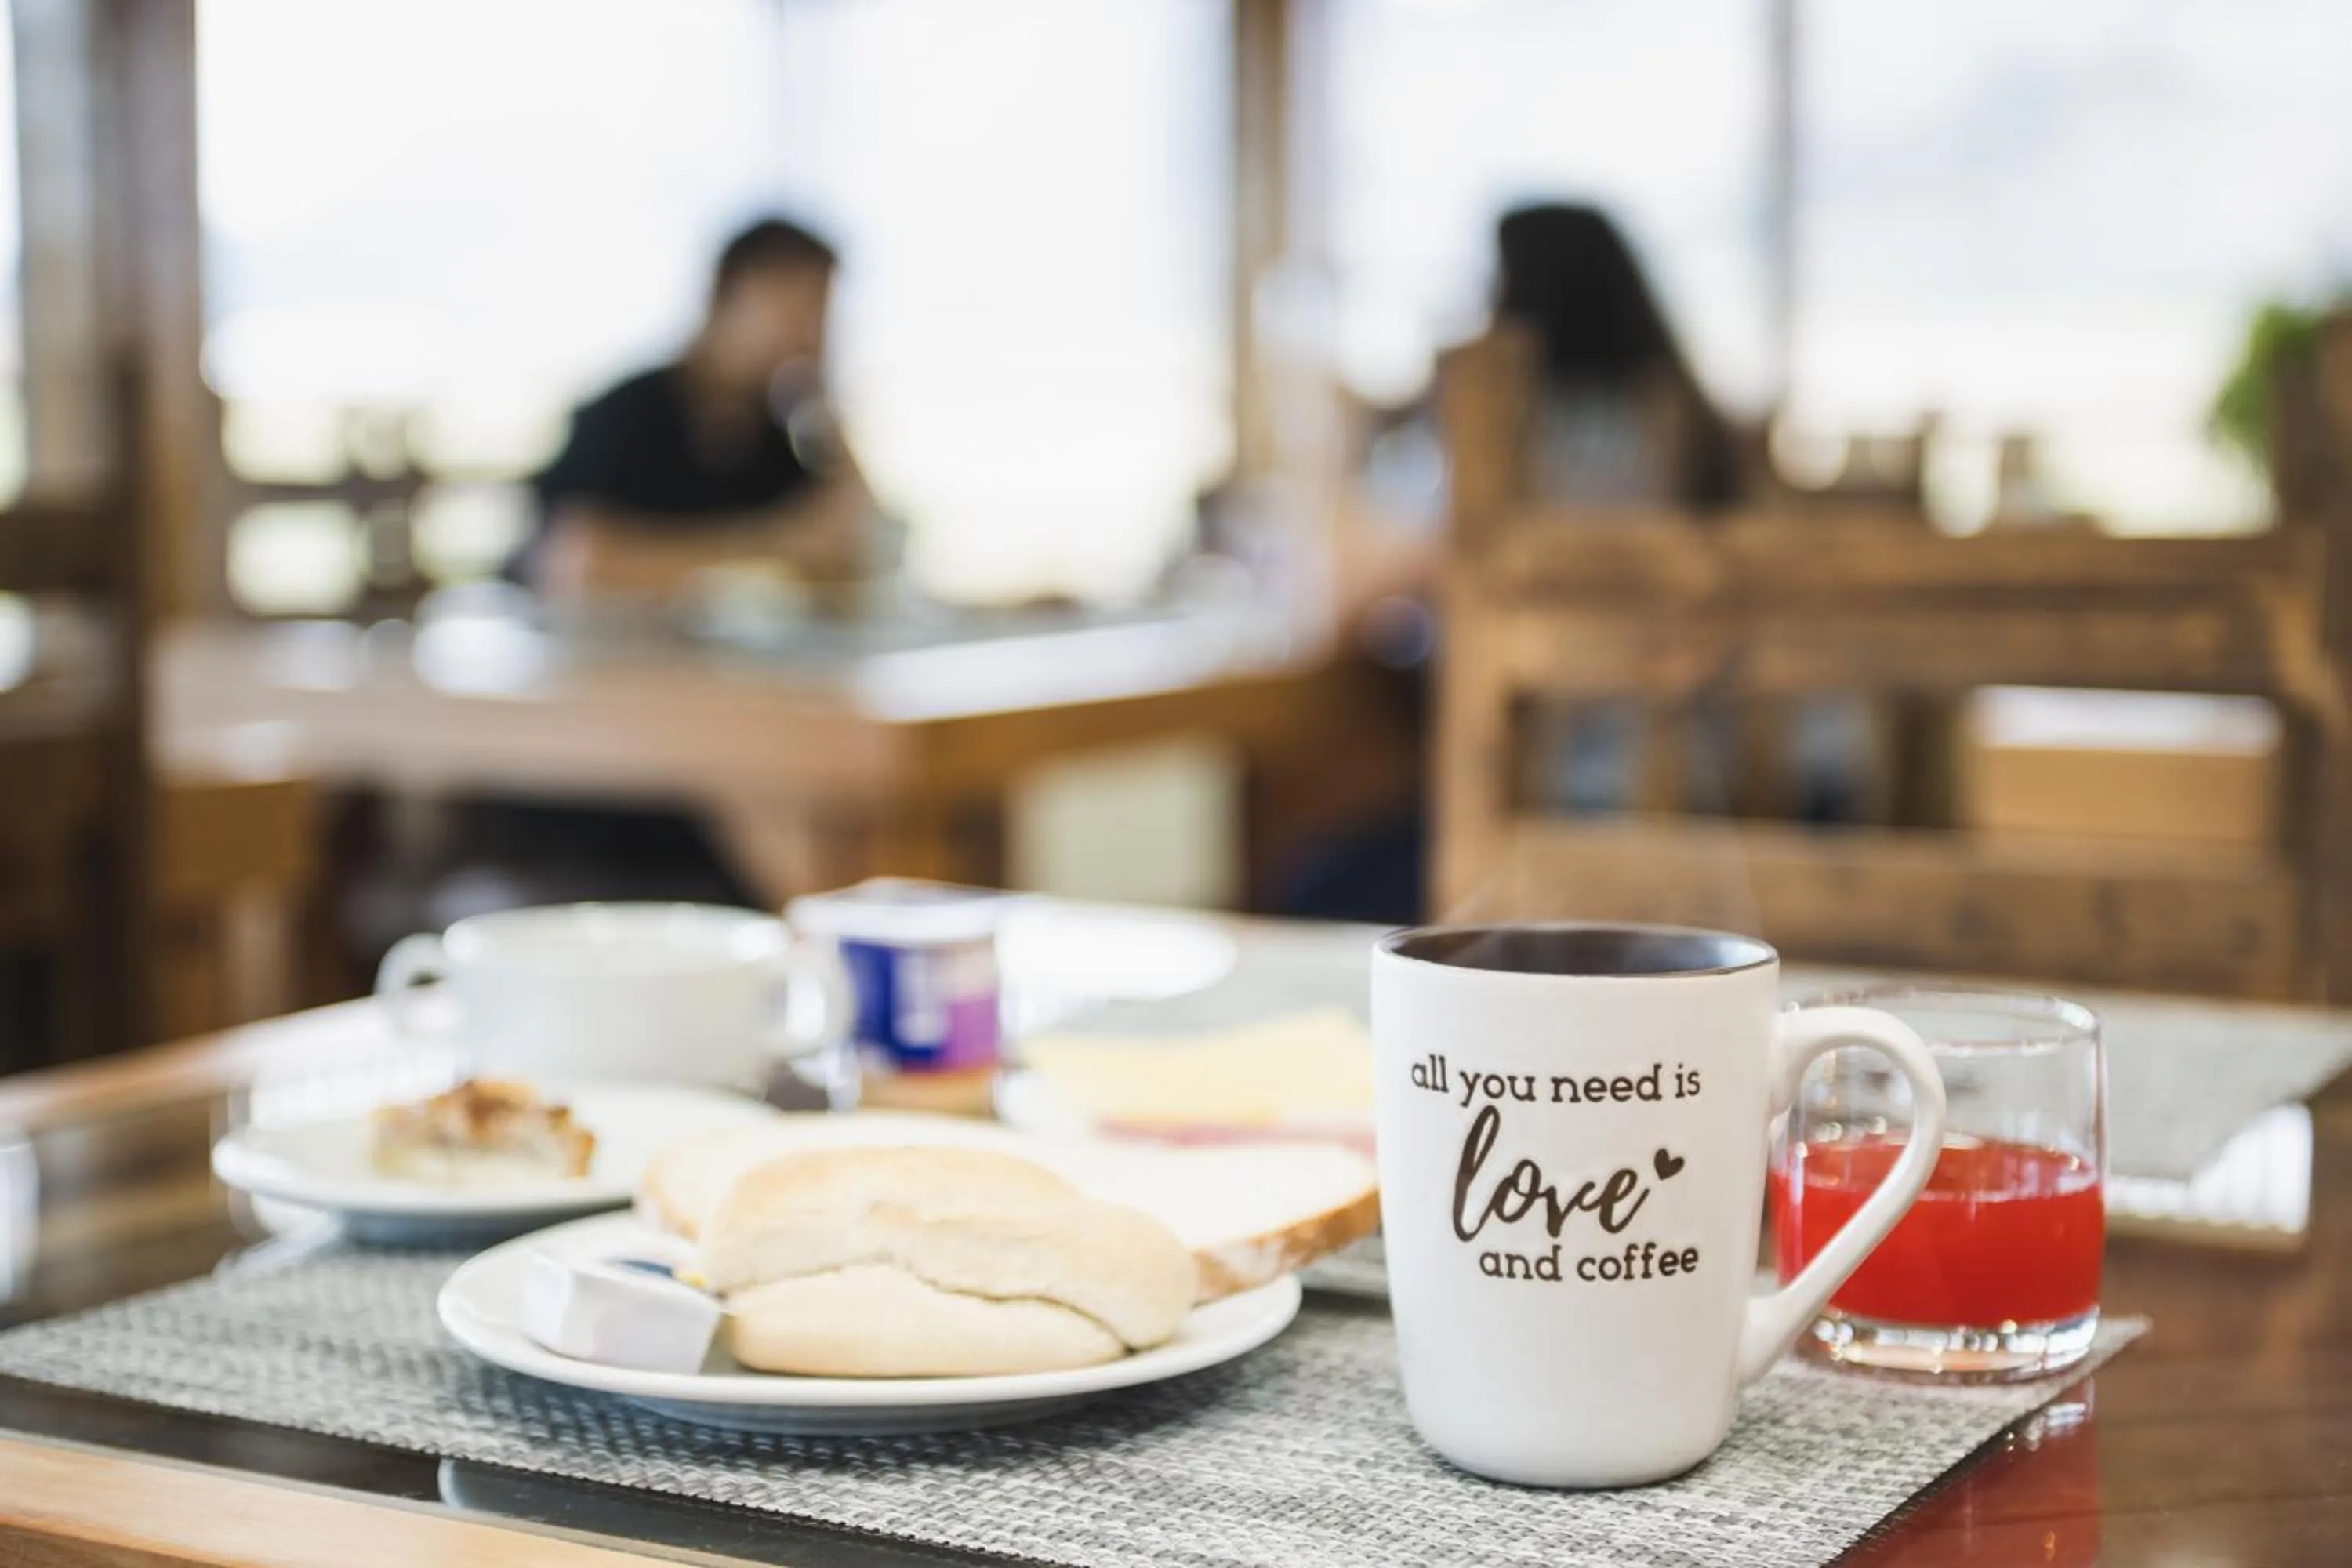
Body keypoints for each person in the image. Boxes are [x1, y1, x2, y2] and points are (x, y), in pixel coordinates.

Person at [524, 216, 872, 601]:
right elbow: (577, 563)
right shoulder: (631, 413)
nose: (811, 334)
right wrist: (769, 545)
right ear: (730, 292)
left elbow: (855, 552)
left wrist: (829, 413)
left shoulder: (775, 436)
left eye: (821, 313)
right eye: (799, 308)